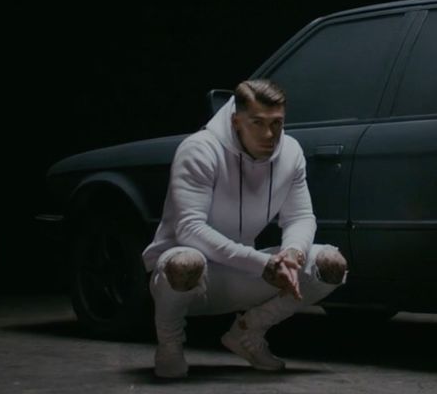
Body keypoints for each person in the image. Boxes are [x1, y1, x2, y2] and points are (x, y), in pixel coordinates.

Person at [140, 78, 349, 378]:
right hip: (182, 281)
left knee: (331, 265)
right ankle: (170, 345)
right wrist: (263, 263)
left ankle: (248, 332)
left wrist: (293, 253)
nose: (269, 134)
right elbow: (189, 229)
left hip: (240, 274)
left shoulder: (290, 153)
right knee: (187, 261)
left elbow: (301, 216)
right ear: (236, 121)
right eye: (257, 123)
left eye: (276, 123)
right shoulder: (199, 150)